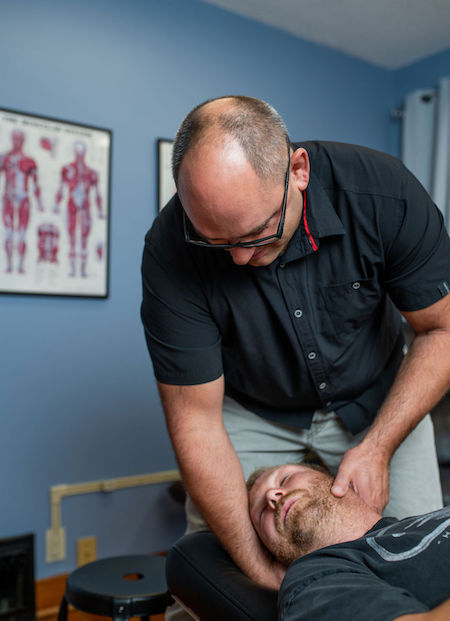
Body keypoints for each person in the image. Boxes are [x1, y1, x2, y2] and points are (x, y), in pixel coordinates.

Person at [140, 96, 450, 599]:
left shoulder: (382, 194)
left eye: (257, 234)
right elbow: (195, 420)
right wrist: (261, 576)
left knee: (421, 560)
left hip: (379, 396)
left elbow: (443, 330)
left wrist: (377, 446)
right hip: (250, 410)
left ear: (298, 170)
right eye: (216, 242)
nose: (240, 260)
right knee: (214, 584)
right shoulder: (169, 250)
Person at [248, 462, 450, 621]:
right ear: (274, 554)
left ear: (339, 479)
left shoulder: (424, 520)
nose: (271, 496)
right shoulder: (312, 582)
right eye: (262, 513)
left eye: (285, 478)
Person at [53, 140, 103, 278]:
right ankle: (72, 269)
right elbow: (61, 188)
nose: (80, 155)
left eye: (82, 152)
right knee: (72, 238)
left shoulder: (91, 173)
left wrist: (100, 211)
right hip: (72, 205)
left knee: (84, 239)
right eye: (78, 152)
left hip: (85, 206)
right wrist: (56, 204)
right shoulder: (67, 169)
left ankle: (82, 270)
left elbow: (97, 193)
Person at [0, 129, 43, 273]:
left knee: (22, 234)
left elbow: (35, 184)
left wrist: (39, 203)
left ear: (23, 141)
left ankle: (20, 265)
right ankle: (8, 265)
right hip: (8, 199)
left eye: (18, 139)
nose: (15, 141)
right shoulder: (4, 158)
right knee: (9, 233)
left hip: (23, 198)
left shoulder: (29, 161)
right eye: (13, 138)